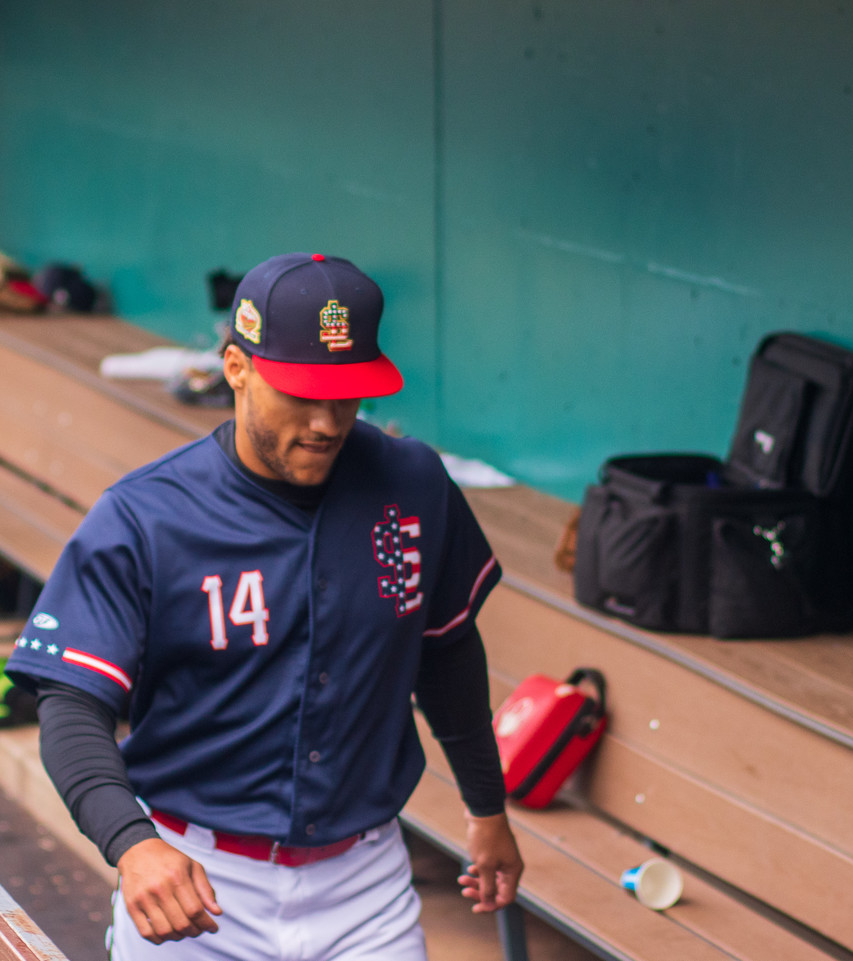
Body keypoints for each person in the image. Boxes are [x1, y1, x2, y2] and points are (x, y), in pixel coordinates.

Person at [5, 252, 523, 959]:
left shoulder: (414, 484)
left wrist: (485, 804)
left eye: (346, 393)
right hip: (194, 876)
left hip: (365, 882)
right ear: (237, 367)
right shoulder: (145, 515)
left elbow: (448, 647)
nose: (326, 421)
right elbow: (70, 704)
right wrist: (131, 843)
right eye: (301, 392)